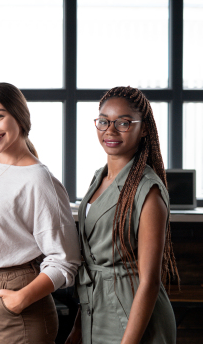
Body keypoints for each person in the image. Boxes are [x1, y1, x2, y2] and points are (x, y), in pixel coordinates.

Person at [0, 82, 81, 344]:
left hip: (17, 303)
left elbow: (66, 259)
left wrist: (20, 299)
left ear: (21, 118)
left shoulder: (39, 179)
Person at [66, 87, 179, 344]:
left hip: (132, 317)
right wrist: (79, 327)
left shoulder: (147, 189)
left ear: (145, 129)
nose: (110, 130)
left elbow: (149, 281)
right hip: (96, 311)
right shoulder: (99, 177)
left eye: (124, 123)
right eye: (104, 121)